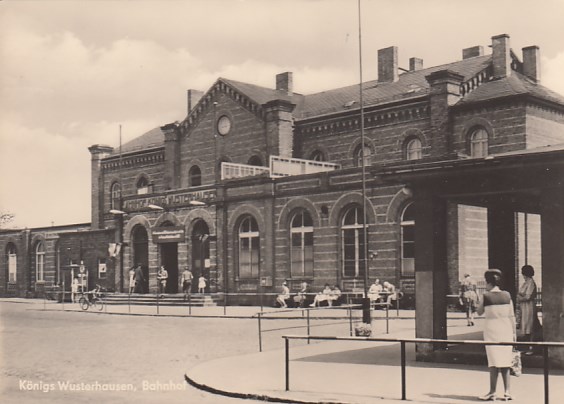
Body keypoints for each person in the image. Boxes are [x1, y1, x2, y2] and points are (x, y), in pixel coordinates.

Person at [476, 269, 516, 402]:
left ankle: (492, 392)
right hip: (506, 329)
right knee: (505, 361)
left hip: (492, 330)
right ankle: (507, 392)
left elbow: (479, 312)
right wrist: (514, 333)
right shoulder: (507, 295)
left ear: (488, 283)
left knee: (493, 362)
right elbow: (512, 315)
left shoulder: (486, 296)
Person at [517, 264, 539, 354]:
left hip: (529, 306)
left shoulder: (531, 283)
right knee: (526, 326)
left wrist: (520, 298)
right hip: (524, 306)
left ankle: (532, 347)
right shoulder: (525, 283)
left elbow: (528, 296)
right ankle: (527, 347)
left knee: (530, 326)